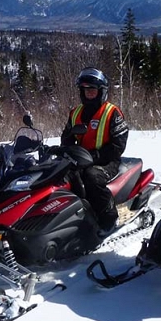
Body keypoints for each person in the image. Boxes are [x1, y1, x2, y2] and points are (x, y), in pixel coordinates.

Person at [61, 67, 129, 237]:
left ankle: (109, 217)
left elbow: (118, 144)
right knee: (62, 176)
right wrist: (64, 150)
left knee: (92, 177)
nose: (89, 93)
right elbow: (67, 137)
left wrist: (96, 156)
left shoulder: (112, 113)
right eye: (85, 90)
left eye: (92, 90)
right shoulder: (75, 113)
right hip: (79, 159)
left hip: (107, 160)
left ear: (101, 92)